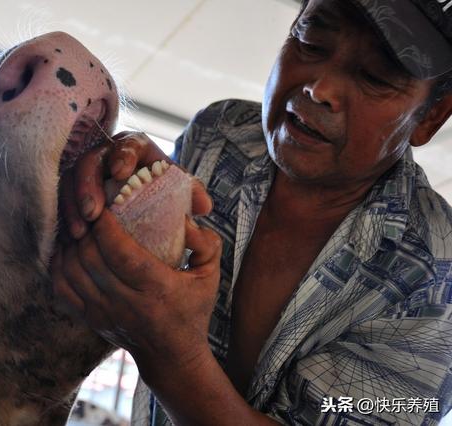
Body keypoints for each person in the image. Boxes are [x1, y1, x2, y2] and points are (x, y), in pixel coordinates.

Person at [52, 0, 452, 424]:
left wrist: (168, 351)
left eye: (374, 77)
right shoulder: (221, 134)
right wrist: (120, 192)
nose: (321, 88)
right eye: (312, 42)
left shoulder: (435, 280)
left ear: (430, 117)